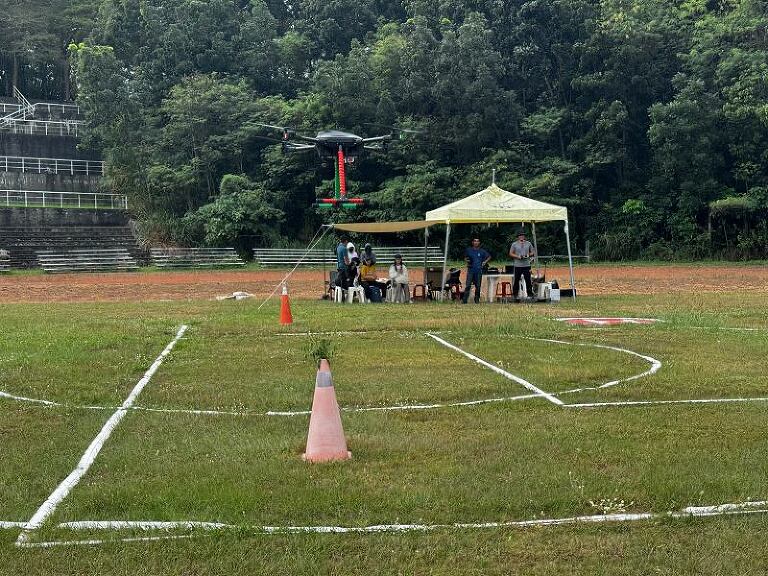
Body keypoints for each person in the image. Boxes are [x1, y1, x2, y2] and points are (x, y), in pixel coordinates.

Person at [462, 238, 491, 304]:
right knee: (468, 285)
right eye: (475, 241)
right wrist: (467, 260)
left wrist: (484, 262)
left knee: (478, 286)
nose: (476, 242)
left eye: (477, 241)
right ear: (472, 242)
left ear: (479, 243)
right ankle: (465, 300)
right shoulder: (469, 250)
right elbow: (465, 257)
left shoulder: (482, 251)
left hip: (478, 270)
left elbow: (489, 256)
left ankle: (477, 299)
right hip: (471, 270)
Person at [509, 229, 535, 302]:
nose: (521, 237)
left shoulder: (528, 243)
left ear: (524, 236)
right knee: (516, 280)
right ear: (518, 237)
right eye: (520, 235)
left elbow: (533, 252)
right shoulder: (514, 244)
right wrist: (517, 256)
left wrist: (528, 255)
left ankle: (530, 294)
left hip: (527, 264)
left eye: (523, 235)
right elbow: (510, 253)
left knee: (528, 280)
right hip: (518, 265)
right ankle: (515, 295)